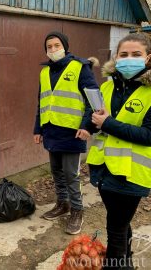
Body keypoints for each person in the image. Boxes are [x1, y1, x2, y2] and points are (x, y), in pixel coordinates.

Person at [87, 33, 151, 269]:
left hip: (132, 173)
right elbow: (99, 120)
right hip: (104, 168)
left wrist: (108, 123)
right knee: (121, 224)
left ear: (148, 58)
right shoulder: (109, 85)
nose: (128, 59)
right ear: (116, 57)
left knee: (116, 230)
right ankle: (126, 263)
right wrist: (91, 122)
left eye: (135, 54)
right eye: (124, 55)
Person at [33, 31, 99, 235]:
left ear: (65, 46)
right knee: (57, 172)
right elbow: (42, 102)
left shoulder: (80, 67)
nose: (52, 49)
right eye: (49, 47)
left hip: (73, 132)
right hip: (52, 131)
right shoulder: (44, 72)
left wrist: (88, 126)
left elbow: (95, 101)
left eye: (56, 45)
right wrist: (38, 129)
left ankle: (77, 211)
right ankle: (63, 204)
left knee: (71, 174)